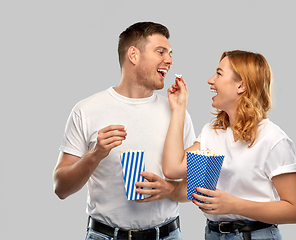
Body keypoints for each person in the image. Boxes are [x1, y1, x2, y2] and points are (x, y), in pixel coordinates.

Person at [53, 22, 196, 240]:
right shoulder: (86, 110)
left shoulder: (178, 113)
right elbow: (61, 188)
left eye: (170, 53)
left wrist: (169, 189)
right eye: (161, 52)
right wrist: (95, 154)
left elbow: (198, 186)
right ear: (133, 55)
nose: (169, 60)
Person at [163, 50, 296, 240]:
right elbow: (173, 169)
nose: (210, 80)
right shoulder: (212, 132)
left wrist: (234, 205)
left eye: (219, 73)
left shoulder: (272, 139)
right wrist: (179, 108)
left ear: (241, 86)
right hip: (213, 234)